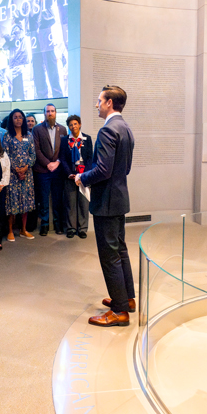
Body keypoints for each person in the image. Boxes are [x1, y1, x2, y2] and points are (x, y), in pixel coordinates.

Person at [76, 86, 135, 327]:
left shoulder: (108, 130)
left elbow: (103, 170)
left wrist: (82, 178)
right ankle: (127, 298)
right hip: (118, 199)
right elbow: (124, 169)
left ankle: (120, 311)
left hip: (107, 203)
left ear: (109, 103)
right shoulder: (126, 128)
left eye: (99, 100)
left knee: (110, 256)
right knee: (120, 250)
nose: (97, 104)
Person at [32, 103, 67, 236]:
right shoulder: (37, 129)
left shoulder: (63, 129)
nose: (50, 113)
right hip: (43, 170)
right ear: (44, 113)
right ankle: (45, 225)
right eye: (48, 111)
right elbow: (36, 149)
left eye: (52, 111)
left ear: (56, 113)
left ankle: (58, 224)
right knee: (44, 199)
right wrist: (48, 164)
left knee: (58, 199)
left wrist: (57, 162)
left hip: (58, 171)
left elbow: (64, 150)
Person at [2, 109, 36, 241]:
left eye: (20, 117)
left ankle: (23, 229)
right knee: (12, 201)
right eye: (15, 117)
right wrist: (16, 169)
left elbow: (33, 154)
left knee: (26, 201)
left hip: (27, 174)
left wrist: (26, 167)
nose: (18, 119)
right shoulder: (7, 136)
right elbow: (5, 155)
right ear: (11, 119)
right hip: (12, 174)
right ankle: (10, 230)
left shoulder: (29, 135)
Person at [60, 114, 93, 239]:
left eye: (75, 124)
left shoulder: (87, 139)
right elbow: (62, 159)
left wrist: (85, 175)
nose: (73, 126)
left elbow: (90, 158)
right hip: (71, 175)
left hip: (84, 174)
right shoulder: (64, 140)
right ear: (68, 127)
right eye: (70, 125)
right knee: (70, 202)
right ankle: (71, 228)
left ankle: (83, 228)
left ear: (79, 124)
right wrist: (70, 174)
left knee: (83, 202)